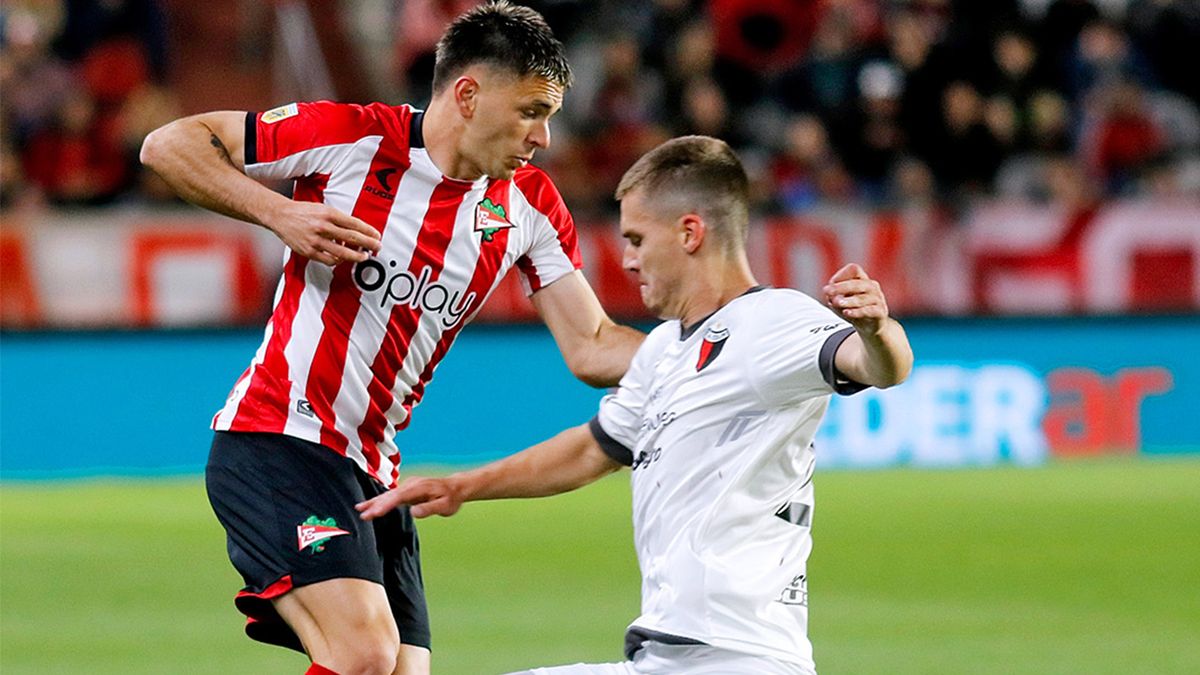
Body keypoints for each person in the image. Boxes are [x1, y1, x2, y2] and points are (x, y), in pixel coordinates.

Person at [139, 3, 643, 674]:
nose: (543, 137)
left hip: (372, 470)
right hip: (277, 438)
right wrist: (279, 212)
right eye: (530, 111)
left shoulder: (528, 205)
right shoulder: (353, 137)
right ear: (468, 94)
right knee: (365, 654)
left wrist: (716, 346)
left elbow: (594, 346)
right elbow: (167, 144)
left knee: (400, 668)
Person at [357, 135, 915, 674]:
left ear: (690, 233)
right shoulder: (665, 352)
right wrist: (462, 488)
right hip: (672, 657)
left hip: (738, 658)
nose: (626, 260)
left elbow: (880, 368)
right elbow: (590, 450)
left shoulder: (773, 322)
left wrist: (877, 328)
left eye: (637, 239)